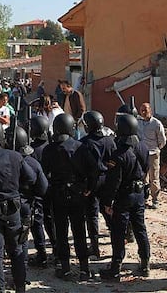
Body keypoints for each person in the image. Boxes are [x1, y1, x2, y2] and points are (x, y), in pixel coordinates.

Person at [0, 118, 36, 293]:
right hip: (13, 210)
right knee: (16, 251)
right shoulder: (15, 156)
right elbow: (32, 178)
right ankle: (20, 287)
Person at [41, 113, 97, 281]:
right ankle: (84, 269)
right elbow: (93, 170)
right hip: (78, 194)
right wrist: (89, 189)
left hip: (58, 194)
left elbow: (44, 174)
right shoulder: (81, 147)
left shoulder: (49, 149)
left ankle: (65, 267)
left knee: (61, 232)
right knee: (79, 231)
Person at [100, 114, 151, 281]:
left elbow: (114, 181)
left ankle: (115, 267)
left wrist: (108, 201)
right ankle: (145, 263)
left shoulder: (119, 153)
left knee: (118, 231)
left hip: (124, 196)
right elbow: (145, 168)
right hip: (139, 193)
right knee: (140, 228)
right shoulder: (143, 147)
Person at [80, 110, 117, 259]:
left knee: (92, 216)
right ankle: (116, 244)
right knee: (108, 212)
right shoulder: (109, 141)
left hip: (92, 182)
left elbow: (83, 167)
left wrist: (86, 187)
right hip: (106, 180)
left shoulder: (84, 143)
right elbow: (114, 161)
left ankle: (94, 247)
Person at [12, 126, 48, 267]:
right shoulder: (34, 163)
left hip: (11, 206)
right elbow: (43, 188)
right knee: (29, 233)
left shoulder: (4, 162)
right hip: (29, 204)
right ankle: (38, 256)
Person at [29, 116, 56, 266]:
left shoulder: (32, 149)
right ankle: (57, 249)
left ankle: (42, 253)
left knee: (37, 222)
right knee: (52, 220)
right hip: (52, 189)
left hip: (38, 191)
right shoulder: (51, 146)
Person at [138, 102, 166, 209]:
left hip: (153, 153)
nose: (144, 112)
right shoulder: (138, 122)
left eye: (146, 110)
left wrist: (157, 149)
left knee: (154, 177)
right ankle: (144, 198)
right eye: (142, 110)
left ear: (150, 110)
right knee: (142, 177)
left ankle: (155, 200)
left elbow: (162, 140)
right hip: (141, 153)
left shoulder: (156, 124)